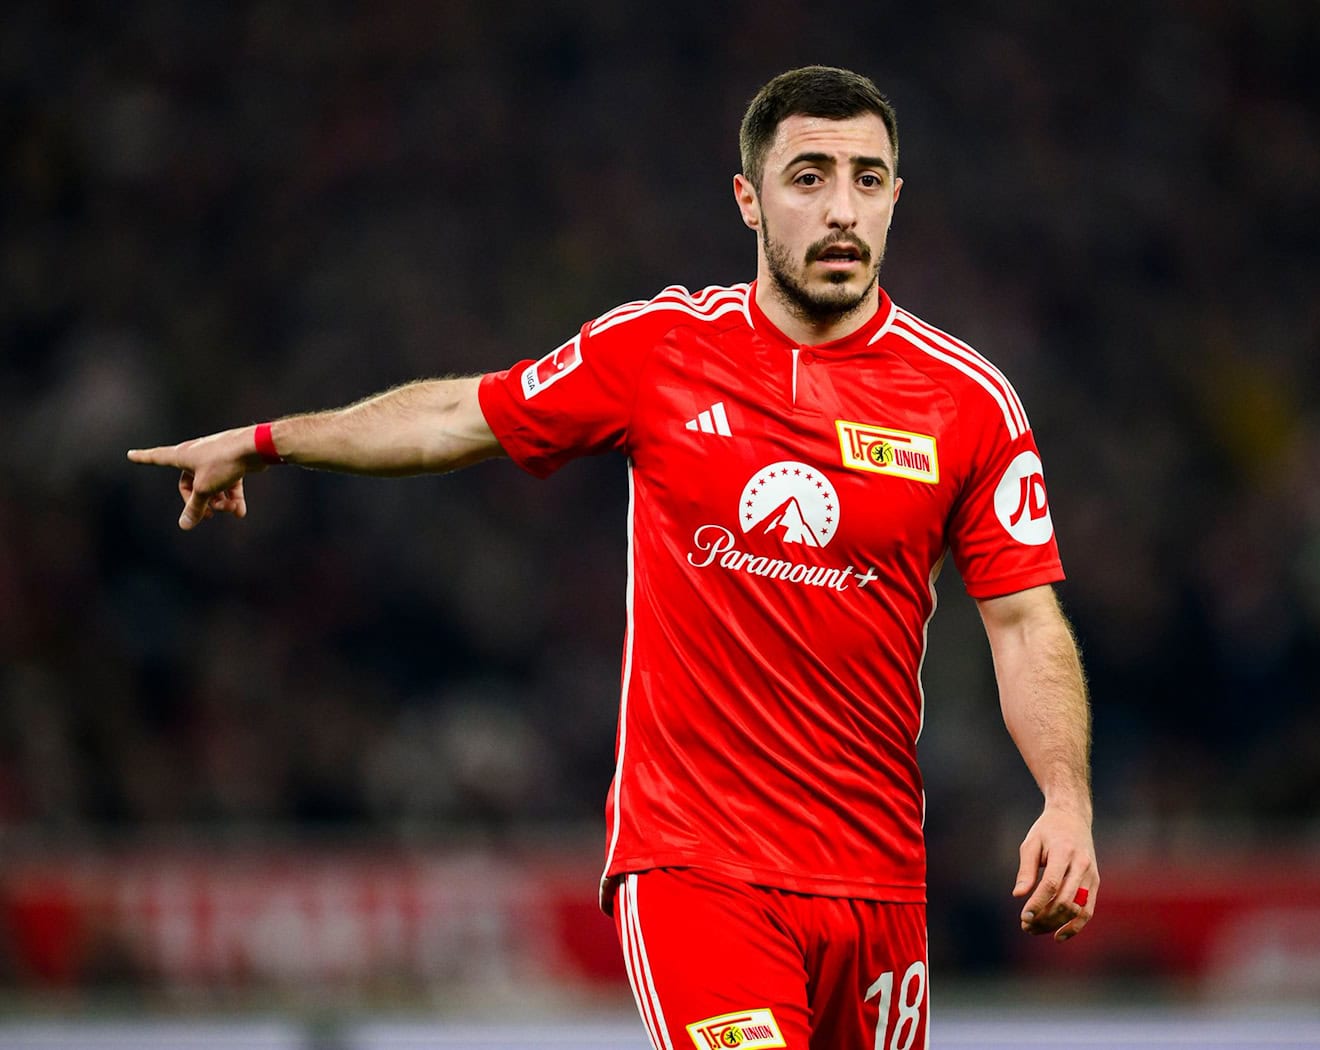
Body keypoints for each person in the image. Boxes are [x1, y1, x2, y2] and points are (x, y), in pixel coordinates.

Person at [130, 65, 1097, 1050]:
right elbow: (456, 418)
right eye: (807, 177)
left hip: (876, 884)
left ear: (895, 198)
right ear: (748, 198)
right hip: (696, 870)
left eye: (864, 178)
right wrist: (264, 439)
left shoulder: (966, 402)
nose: (839, 208)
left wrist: (1063, 798)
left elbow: (1022, 622)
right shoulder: (660, 351)